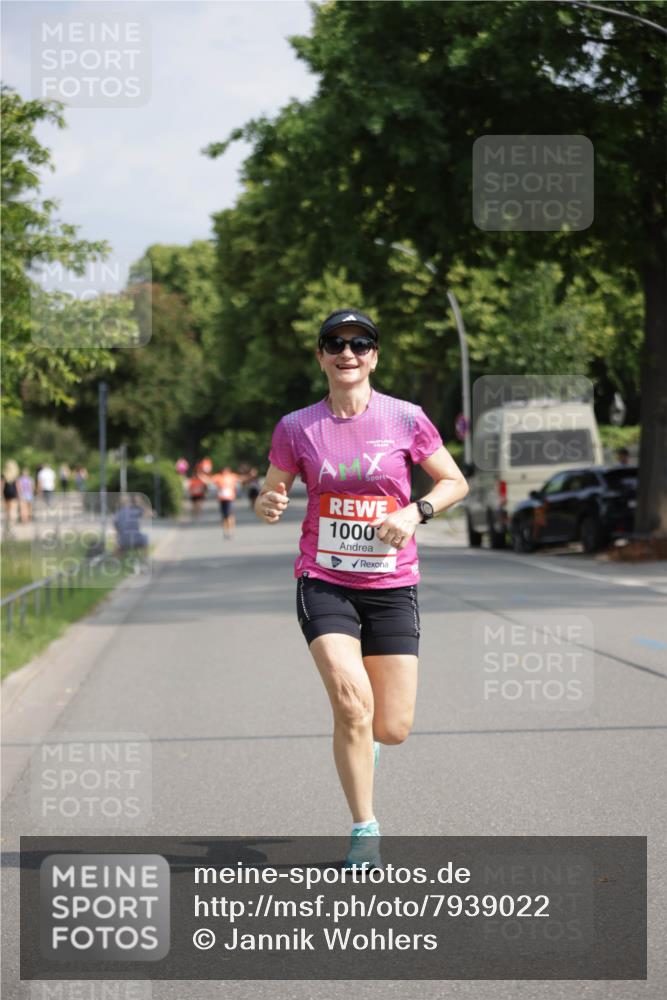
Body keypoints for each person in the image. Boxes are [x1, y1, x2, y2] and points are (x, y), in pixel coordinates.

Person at [256, 308, 469, 868]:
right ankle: (365, 829)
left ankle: (368, 742)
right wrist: (268, 501)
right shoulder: (297, 427)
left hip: (392, 583)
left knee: (391, 728)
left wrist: (415, 511)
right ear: (321, 355)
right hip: (323, 579)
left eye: (359, 343)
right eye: (335, 343)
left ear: (374, 355)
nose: (347, 352)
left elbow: (454, 481)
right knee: (351, 704)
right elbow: (270, 490)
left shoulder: (406, 418)